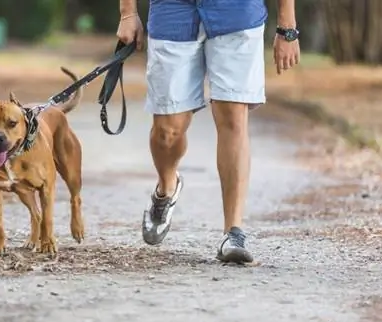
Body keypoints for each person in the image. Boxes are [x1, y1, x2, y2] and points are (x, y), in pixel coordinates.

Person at [116, 0, 300, 263]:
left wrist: (287, 27)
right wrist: (128, 12)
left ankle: (234, 231)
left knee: (234, 119)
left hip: (238, 12)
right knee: (168, 131)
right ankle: (167, 186)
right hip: (173, 10)